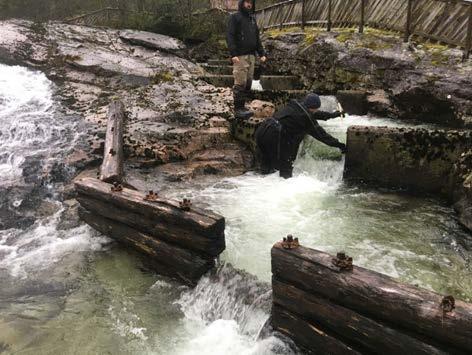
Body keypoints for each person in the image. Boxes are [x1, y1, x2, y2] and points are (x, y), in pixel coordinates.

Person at [255, 93, 347, 179]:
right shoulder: (305, 118)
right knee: (285, 170)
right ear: (313, 108)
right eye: (316, 109)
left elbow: (314, 114)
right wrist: (340, 145)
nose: (316, 111)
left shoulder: (295, 105)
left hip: (263, 129)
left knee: (267, 168)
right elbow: (322, 136)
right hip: (275, 136)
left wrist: (333, 115)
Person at [227, 0, 267, 118]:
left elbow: (257, 38)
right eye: (247, 2)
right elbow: (230, 35)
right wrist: (233, 53)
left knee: (249, 82)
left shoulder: (252, 19)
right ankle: (238, 109)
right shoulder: (235, 17)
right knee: (240, 82)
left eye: (251, 2)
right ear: (242, 3)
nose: (249, 5)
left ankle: (243, 106)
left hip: (252, 56)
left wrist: (261, 53)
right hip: (240, 56)